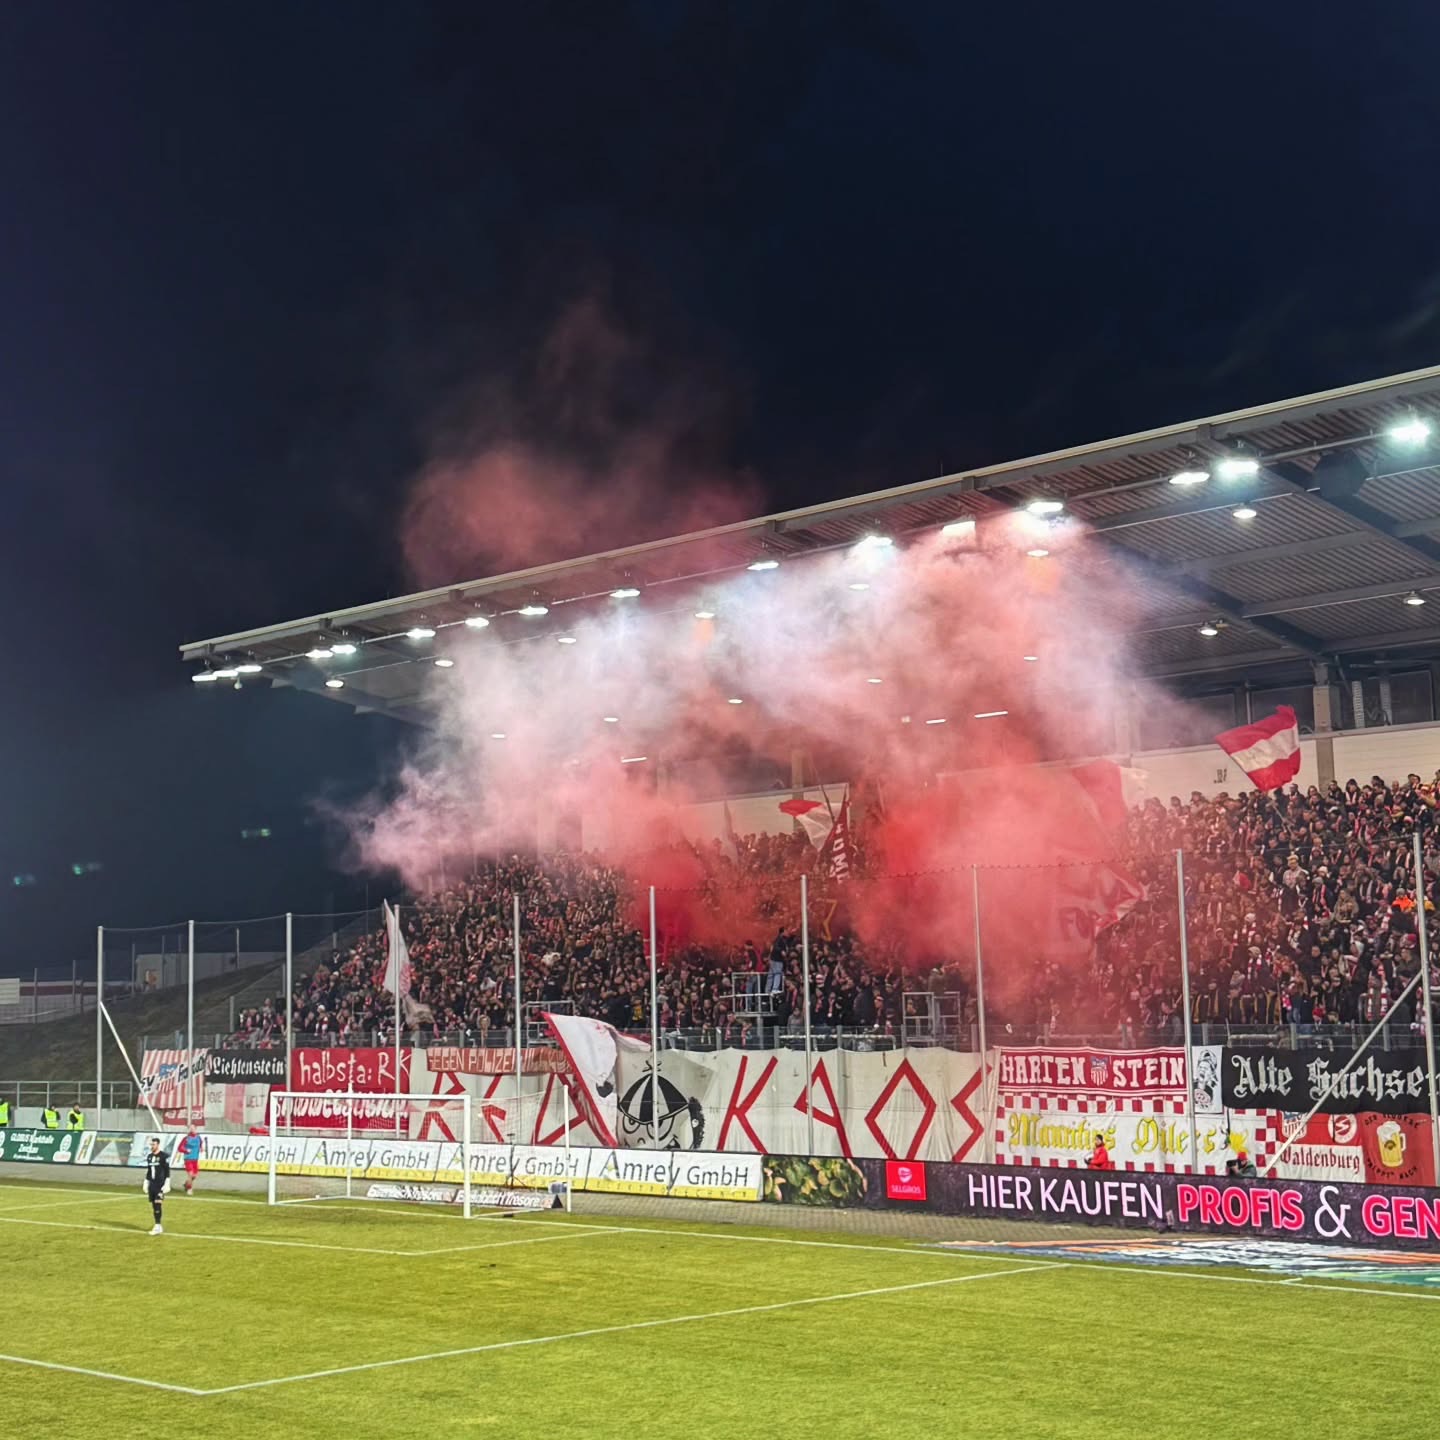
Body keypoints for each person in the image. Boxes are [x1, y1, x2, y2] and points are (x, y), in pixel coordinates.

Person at [142, 1138, 171, 1235]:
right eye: (151, 1144)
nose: (152, 1146)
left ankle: (157, 1226)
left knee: (158, 1203)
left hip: (160, 1184)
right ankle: (158, 1225)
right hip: (152, 1184)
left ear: (158, 1145)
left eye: (154, 1144)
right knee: (154, 1206)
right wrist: (146, 1182)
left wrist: (167, 1183)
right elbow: (149, 1170)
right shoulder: (150, 1157)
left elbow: (167, 1170)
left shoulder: (164, 1156)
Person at [178, 1124, 204, 1193]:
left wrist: (201, 1148)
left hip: (195, 1159)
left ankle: (186, 1184)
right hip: (188, 1159)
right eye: (190, 1128)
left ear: (196, 1129)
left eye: (193, 1128)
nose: (191, 1130)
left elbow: (200, 1144)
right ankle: (189, 1189)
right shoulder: (186, 1138)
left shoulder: (198, 1137)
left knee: (194, 1176)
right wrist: (186, 1150)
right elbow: (180, 1148)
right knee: (190, 1174)